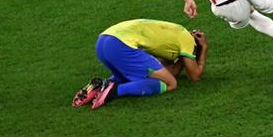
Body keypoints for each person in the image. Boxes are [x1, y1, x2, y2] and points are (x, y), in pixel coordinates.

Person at [72, 19, 207, 110]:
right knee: (171, 84)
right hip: (121, 44)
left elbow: (165, 72)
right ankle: (114, 91)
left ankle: (100, 85)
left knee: (136, 76)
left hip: (103, 40)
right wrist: (203, 48)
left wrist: (183, 60)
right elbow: (194, 76)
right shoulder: (188, 41)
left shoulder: (172, 39)